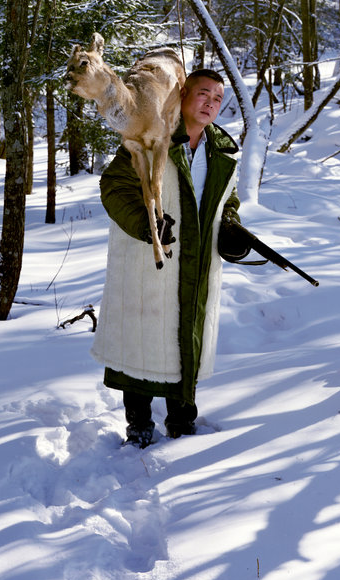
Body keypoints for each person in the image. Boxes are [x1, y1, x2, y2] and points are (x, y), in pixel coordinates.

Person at [92, 67, 245, 447]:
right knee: (143, 340)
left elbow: (228, 201)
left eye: (217, 99)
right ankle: (139, 425)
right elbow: (114, 187)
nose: (210, 103)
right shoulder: (148, 137)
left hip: (199, 263)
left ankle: (181, 421)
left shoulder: (223, 150)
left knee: (184, 340)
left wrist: (231, 227)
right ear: (183, 94)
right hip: (150, 262)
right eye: (203, 94)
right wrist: (147, 226)